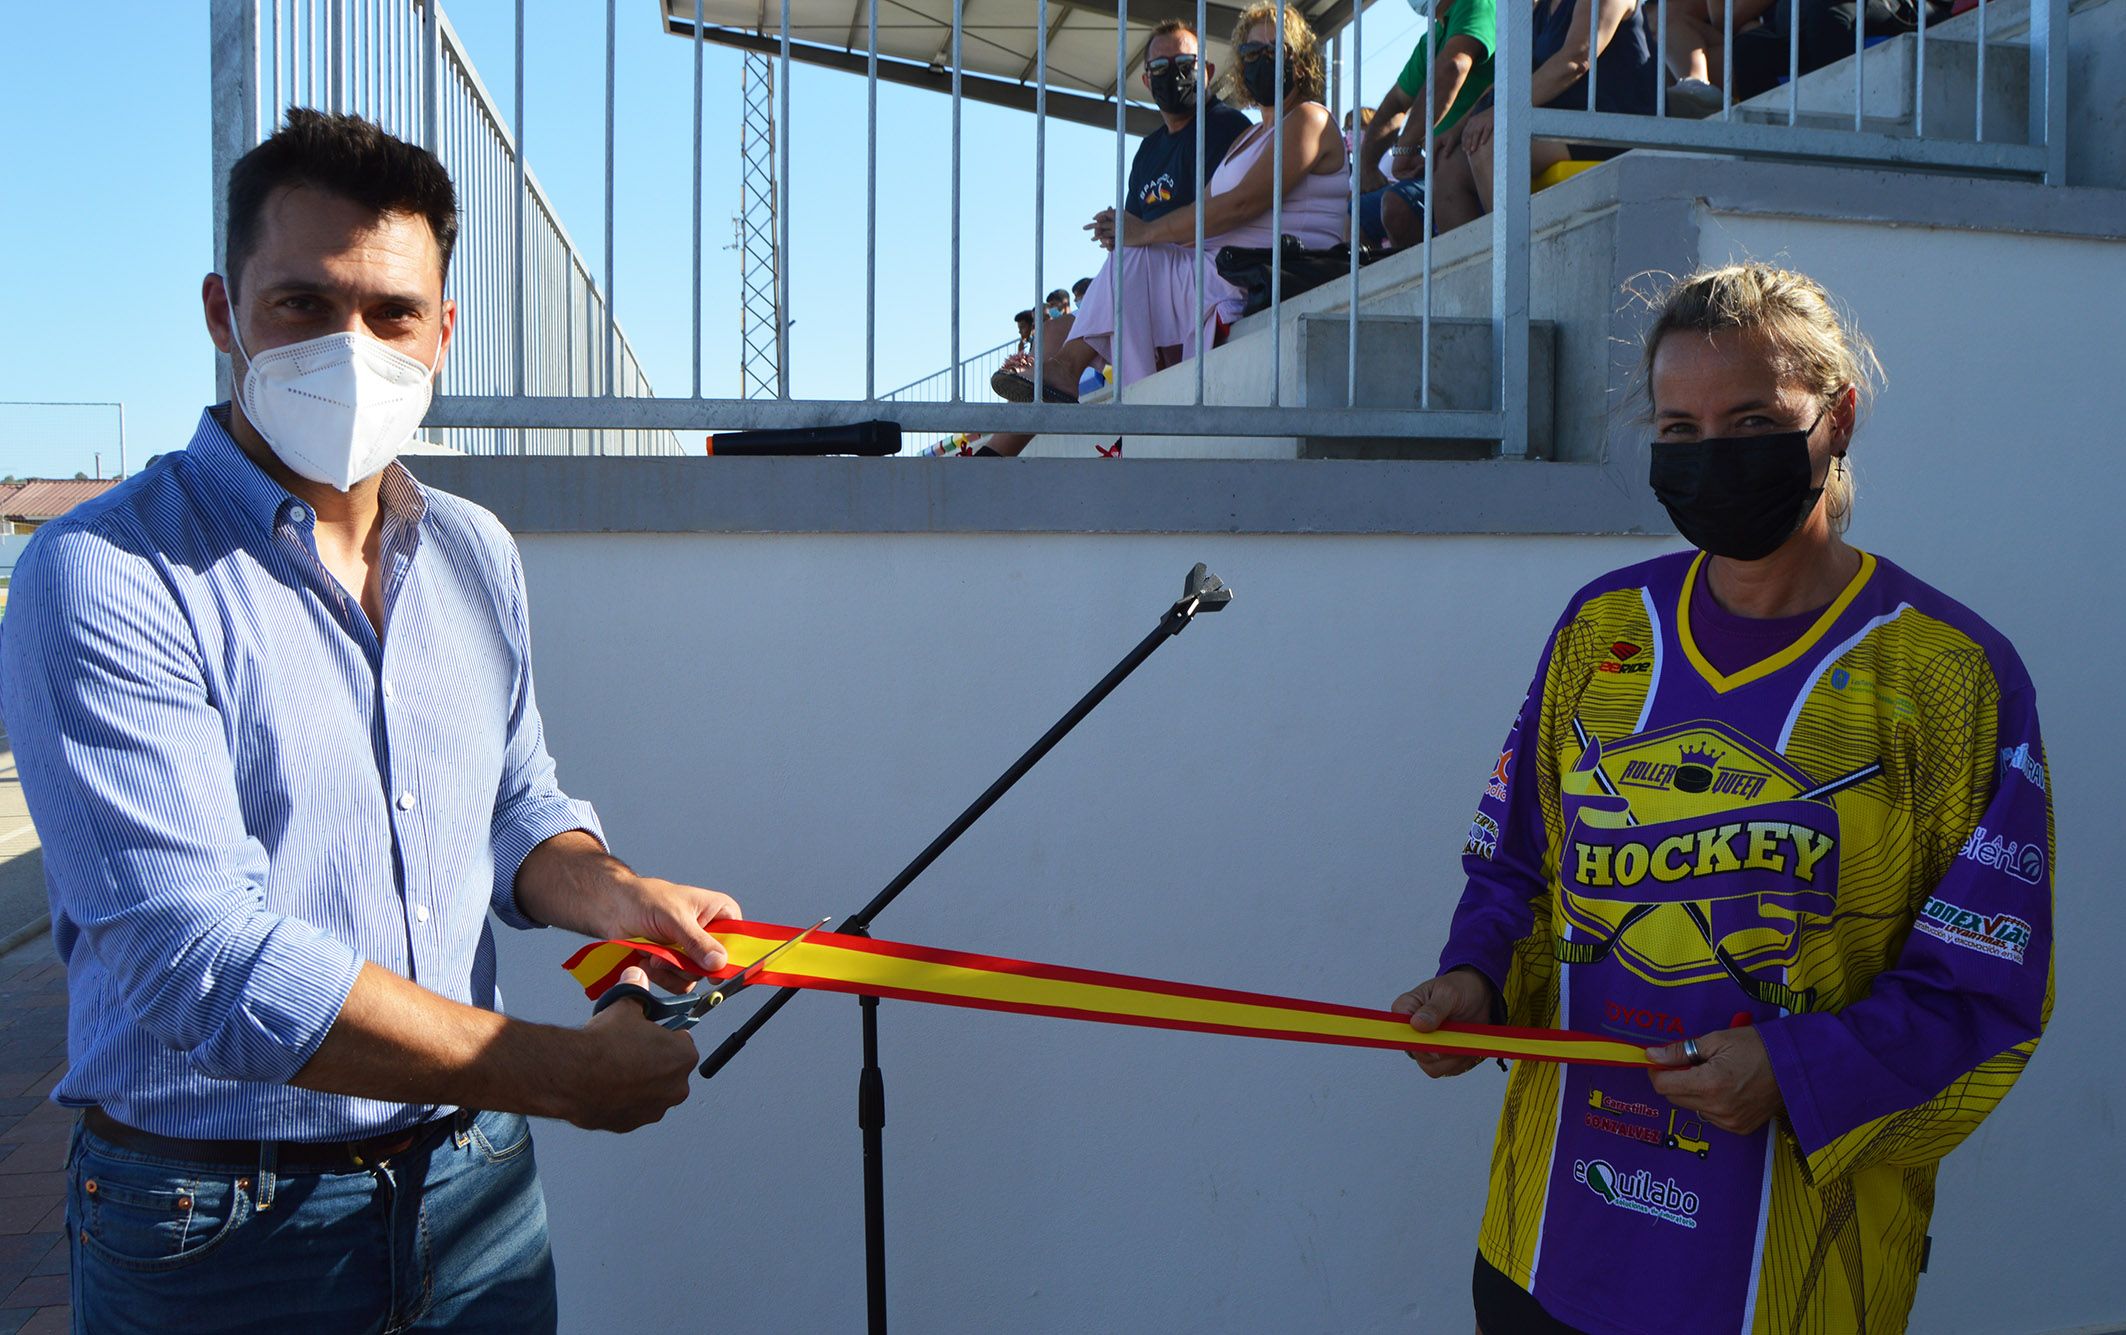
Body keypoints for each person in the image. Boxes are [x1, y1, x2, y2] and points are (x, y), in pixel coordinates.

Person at [0, 111, 746, 1332]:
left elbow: (513, 802)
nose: (351, 346)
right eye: (302, 303)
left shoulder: (470, 551)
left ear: (442, 330)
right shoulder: (108, 572)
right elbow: (203, 963)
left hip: (474, 1186)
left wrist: (610, 890)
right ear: (221, 311)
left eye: (392, 313)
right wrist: (558, 1073)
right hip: (217, 1229)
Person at [1393, 263, 2052, 1333]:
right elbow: (1515, 869)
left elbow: (1984, 992)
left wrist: (1796, 1071)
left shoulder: (1947, 675)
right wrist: (1476, 985)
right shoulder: (1599, 631)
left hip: (1787, 1285)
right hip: (1544, 1247)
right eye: (1679, 429)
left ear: (1836, 418)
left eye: (1750, 419)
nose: (1711, 456)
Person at [1009, 1, 1348, 404]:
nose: (1263, 60)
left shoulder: (1310, 119)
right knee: (1131, 257)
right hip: (1223, 267)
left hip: (1272, 266)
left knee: (1135, 255)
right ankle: (1096, 388)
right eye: (1252, 52)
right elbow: (1203, 208)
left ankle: (1084, 381)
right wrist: (1131, 232)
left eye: (1277, 50)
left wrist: (1147, 231)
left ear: (1301, 58)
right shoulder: (1249, 139)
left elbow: (1241, 205)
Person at [991, 18, 1250, 407]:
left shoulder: (1227, 128)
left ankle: (1065, 377)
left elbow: (1221, 216)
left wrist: (1139, 234)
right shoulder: (1149, 149)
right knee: (1056, 329)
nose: (1172, 77)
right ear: (1146, 81)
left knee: (1126, 263)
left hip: (1208, 270)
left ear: (1207, 71)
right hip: (1154, 274)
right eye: (1160, 69)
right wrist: (1116, 231)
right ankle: (999, 449)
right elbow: (1135, 232)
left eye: (1184, 65)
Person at [1429, 0, 1658, 232]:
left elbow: (1578, 58)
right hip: (1565, 128)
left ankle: (1516, 263)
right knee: (1447, 166)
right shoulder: (1540, 11)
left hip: (1620, 127)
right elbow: (1507, 81)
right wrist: (1458, 128)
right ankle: (1485, 265)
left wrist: (1500, 112)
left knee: (1496, 147)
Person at [1355, 0, 1497, 249]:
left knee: (1396, 205)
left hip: (1472, 154)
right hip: (1440, 164)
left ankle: (1462, 280)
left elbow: (1453, 66)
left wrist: (1406, 147)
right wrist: (1366, 164)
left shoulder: (1476, 4)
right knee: (1357, 212)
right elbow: (1397, 101)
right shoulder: (1432, 38)